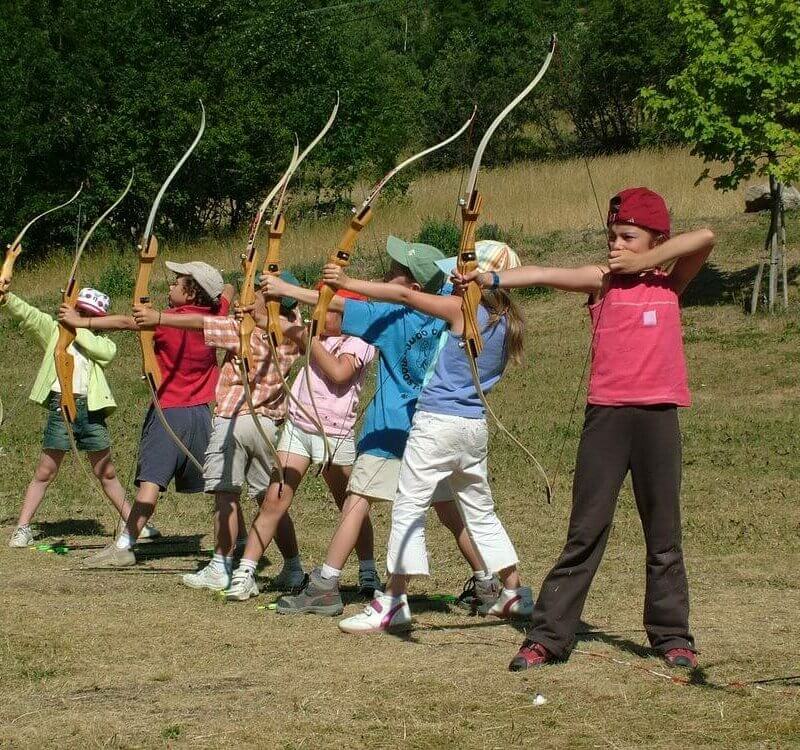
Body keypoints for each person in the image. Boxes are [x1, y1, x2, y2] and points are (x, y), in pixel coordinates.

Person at [456, 187, 714, 671]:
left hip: (658, 418)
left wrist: (648, 261)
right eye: (611, 235)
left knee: (664, 534)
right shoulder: (601, 280)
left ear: (656, 238)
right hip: (608, 419)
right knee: (586, 530)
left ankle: (672, 635)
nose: (615, 245)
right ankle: (549, 637)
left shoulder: (669, 283)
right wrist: (487, 275)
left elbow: (705, 237)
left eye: (628, 237)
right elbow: (544, 274)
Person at [265, 237, 506, 618]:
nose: (385, 275)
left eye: (394, 272)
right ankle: (487, 582)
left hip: (391, 429)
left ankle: (325, 586)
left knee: (357, 500)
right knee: (448, 510)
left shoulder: (394, 317)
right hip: (431, 431)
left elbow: (338, 305)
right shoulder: (449, 309)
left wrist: (285, 290)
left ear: (411, 287)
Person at [318, 242, 534, 633]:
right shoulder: (504, 321)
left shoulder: (463, 310)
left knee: (409, 507)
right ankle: (514, 591)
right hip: (473, 428)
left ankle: (393, 602)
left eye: (461, 272)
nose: (454, 277)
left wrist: (347, 281)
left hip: (436, 424)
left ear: (478, 277)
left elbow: (405, 294)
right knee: (479, 512)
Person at [126, 271, 310, 590]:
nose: (251, 295)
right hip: (269, 425)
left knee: (226, 494)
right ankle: (293, 567)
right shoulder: (295, 331)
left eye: (259, 293)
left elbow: (200, 323)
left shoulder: (244, 330)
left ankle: (220, 565)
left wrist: (157, 317)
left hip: (235, 420)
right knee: (269, 500)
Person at [59, 261, 234, 568]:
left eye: (177, 283)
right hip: (202, 415)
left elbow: (127, 323)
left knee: (150, 485)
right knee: (220, 487)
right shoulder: (214, 316)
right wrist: (217, 293)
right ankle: (241, 541)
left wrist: (79, 321)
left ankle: (125, 546)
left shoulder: (164, 323)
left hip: (169, 414)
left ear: (192, 292)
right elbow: (228, 291)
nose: (170, 286)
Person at [224, 288, 379, 601]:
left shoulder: (360, 341)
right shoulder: (313, 332)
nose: (319, 314)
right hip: (299, 428)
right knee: (274, 499)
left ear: (348, 316)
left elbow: (339, 372)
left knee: (350, 507)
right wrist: (254, 313)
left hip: (334, 434)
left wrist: (307, 338)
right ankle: (245, 572)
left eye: (328, 309)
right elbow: (272, 323)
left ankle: (367, 571)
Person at [1, 284, 155, 546]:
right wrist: (7, 298)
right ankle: (23, 527)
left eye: (91, 315)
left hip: (90, 410)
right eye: (80, 311)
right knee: (45, 471)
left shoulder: (102, 343)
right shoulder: (55, 332)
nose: (84, 317)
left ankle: (134, 524)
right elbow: (29, 315)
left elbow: (105, 352)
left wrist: (76, 323)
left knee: (105, 472)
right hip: (61, 405)